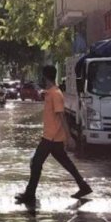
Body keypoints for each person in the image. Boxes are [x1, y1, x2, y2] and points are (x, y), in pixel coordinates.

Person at [15, 66, 93, 205]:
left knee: (36, 163)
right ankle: (83, 186)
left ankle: (29, 194)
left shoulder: (56, 94)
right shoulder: (51, 92)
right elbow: (47, 97)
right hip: (53, 137)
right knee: (66, 163)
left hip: (50, 137)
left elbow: (61, 116)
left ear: (45, 76)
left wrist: (69, 137)